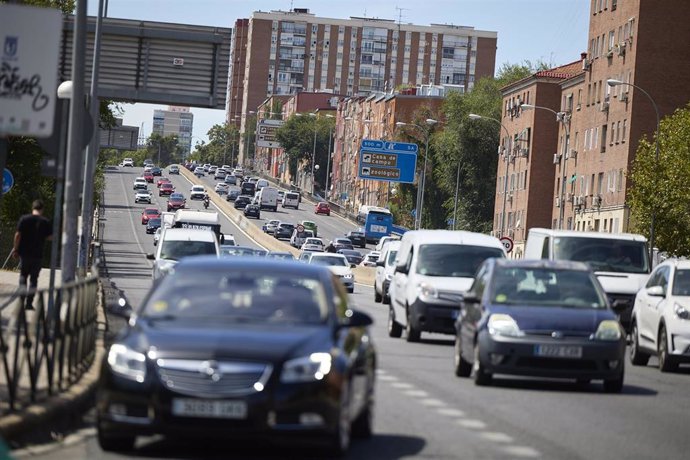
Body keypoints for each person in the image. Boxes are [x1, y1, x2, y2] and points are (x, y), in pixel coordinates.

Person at [12, 199, 53, 309]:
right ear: (42, 209)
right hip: (37, 255)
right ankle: (29, 303)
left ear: (33, 208)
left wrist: (16, 249)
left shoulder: (24, 219)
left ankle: (21, 298)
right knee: (34, 279)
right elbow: (50, 237)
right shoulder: (45, 222)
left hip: (24, 254)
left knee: (23, 276)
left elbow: (17, 235)